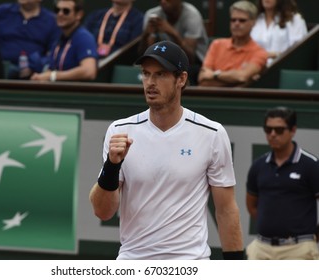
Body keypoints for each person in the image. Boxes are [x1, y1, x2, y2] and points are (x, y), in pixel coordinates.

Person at [89, 40, 243, 260]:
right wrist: (111, 167)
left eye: (160, 74)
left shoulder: (212, 133)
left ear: (181, 79)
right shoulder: (119, 130)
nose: (150, 83)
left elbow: (226, 210)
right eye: (146, 74)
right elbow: (102, 211)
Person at [246, 107, 319, 260]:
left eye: (279, 130)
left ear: (293, 130)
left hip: (299, 249)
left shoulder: (311, 165)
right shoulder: (258, 166)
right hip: (261, 249)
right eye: (268, 129)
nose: (272, 134)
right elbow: (252, 205)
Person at [137, 0, 209, 86]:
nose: (163, 1)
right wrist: (146, 34)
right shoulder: (152, 14)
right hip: (164, 59)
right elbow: (144, 55)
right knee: (148, 69)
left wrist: (172, 33)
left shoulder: (192, 15)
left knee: (186, 73)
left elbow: (190, 58)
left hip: (195, 63)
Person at [198, 0, 267, 87]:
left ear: (253, 23)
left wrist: (214, 75)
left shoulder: (259, 53)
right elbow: (202, 78)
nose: (236, 24)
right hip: (207, 98)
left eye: (242, 20)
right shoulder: (217, 44)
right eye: (233, 20)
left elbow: (242, 77)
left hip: (238, 99)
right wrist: (235, 81)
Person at [0, 0, 59, 79]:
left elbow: (54, 53)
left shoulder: (52, 21)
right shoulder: (2, 11)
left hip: (32, 76)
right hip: (0, 71)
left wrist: (35, 65)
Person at [31, 0, 98, 82]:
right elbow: (51, 69)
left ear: (79, 15)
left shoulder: (83, 37)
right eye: (57, 10)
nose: (60, 14)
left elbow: (89, 71)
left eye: (66, 11)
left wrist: (53, 76)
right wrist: (41, 77)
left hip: (75, 92)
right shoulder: (59, 39)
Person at [251, 0, 308, 66]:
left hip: (282, 67)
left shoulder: (294, 19)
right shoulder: (255, 19)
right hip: (254, 68)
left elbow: (297, 52)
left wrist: (275, 55)